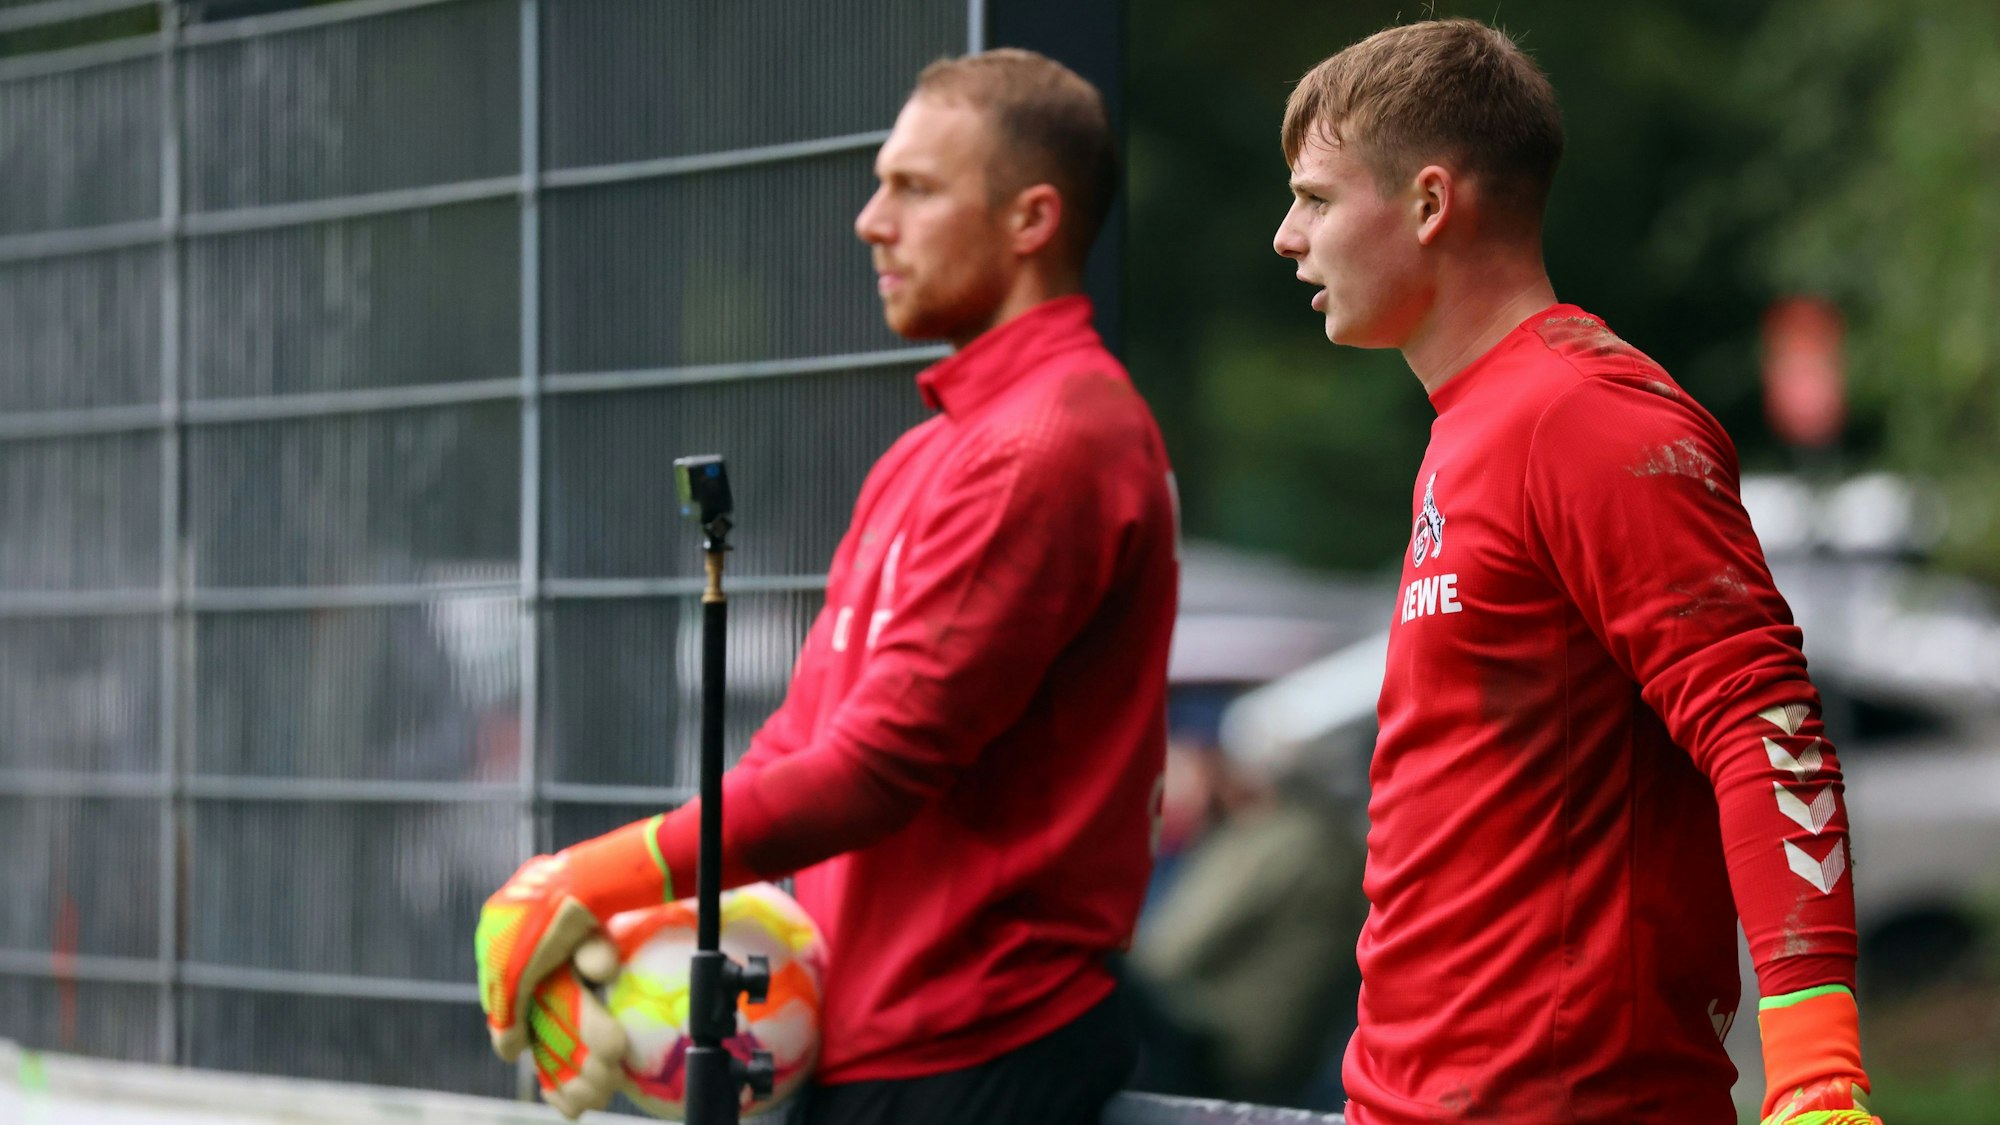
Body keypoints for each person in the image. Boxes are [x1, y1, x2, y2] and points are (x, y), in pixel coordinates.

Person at [475, 49, 1180, 1125]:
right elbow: (796, 745)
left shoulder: (1049, 441)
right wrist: (655, 926)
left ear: (1032, 219)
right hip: (880, 1052)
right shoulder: (931, 452)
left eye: (913, 187)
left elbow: (873, 771)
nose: (869, 220)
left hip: (974, 1057)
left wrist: (586, 879)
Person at [1271, 19, 1880, 1125]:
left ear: (1425, 203)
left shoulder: (1582, 415)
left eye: (1314, 198)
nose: (1284, 236)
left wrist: (1815, 1074)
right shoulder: (1474, 422)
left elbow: (1762, 724)